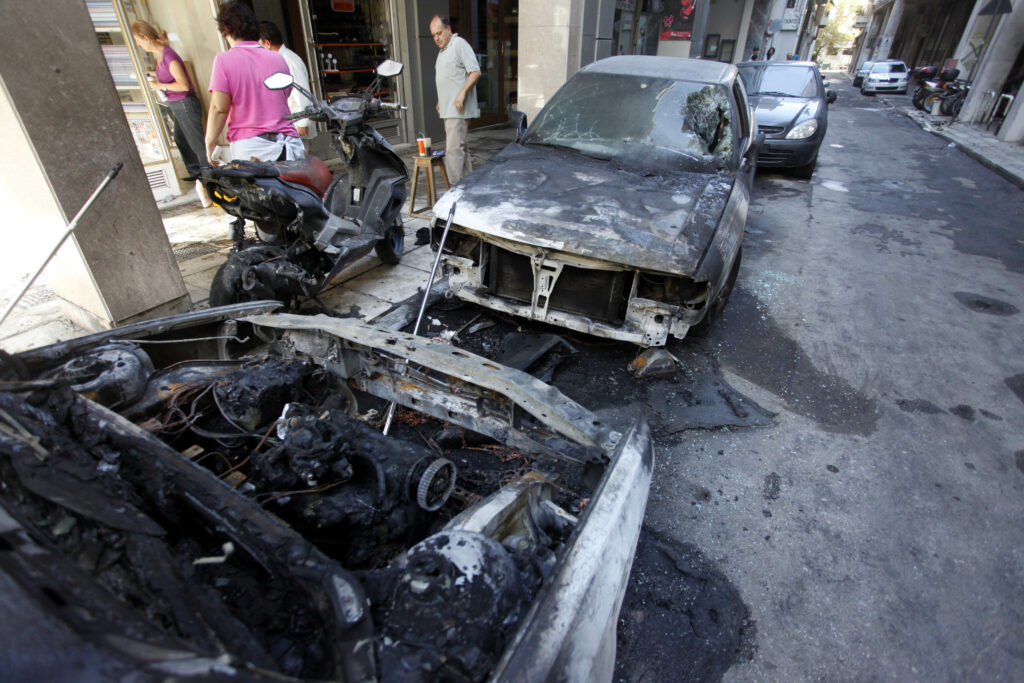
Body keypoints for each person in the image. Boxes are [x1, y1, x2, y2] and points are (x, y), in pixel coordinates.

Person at [205, 1, 303, 164]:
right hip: (289, 144)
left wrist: (209, 142)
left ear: (226, 29)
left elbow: (219, 108)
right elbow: (285, 93)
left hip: (252, 148)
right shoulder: (277, 58)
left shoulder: (223, 61)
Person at [131, 20, 206, 175]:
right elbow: (165, 74)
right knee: (181, 139)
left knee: (197, 145)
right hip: (177, 104)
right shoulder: (160, 56)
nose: (139, 45)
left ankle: (208, 177)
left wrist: (160, 85)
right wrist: (148, 74)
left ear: (145, 38)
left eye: (138, 41)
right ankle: (197, 175)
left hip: (185, 103)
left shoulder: (168, 56)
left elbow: (183, 85)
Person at [430, 15, 480, 184]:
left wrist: (462, 93)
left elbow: (475, 72)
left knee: (453, 150)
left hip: (458, 110)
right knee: (461, 149)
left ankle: (453, 191)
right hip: (448, 108)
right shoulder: (443, 51)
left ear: (449, 29)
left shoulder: (459, 44)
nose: (437, 38)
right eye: (433, 35)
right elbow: (449, 79)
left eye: (439, 33)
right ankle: (466, 187)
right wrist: (441, 99)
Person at [257, 21, 315, 139]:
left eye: (260, 46)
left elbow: (301, 94)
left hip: (296, 128)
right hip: (287, 128)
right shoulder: (278, 60)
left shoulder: (289, 61)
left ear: (267, 43)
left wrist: (302, 125)